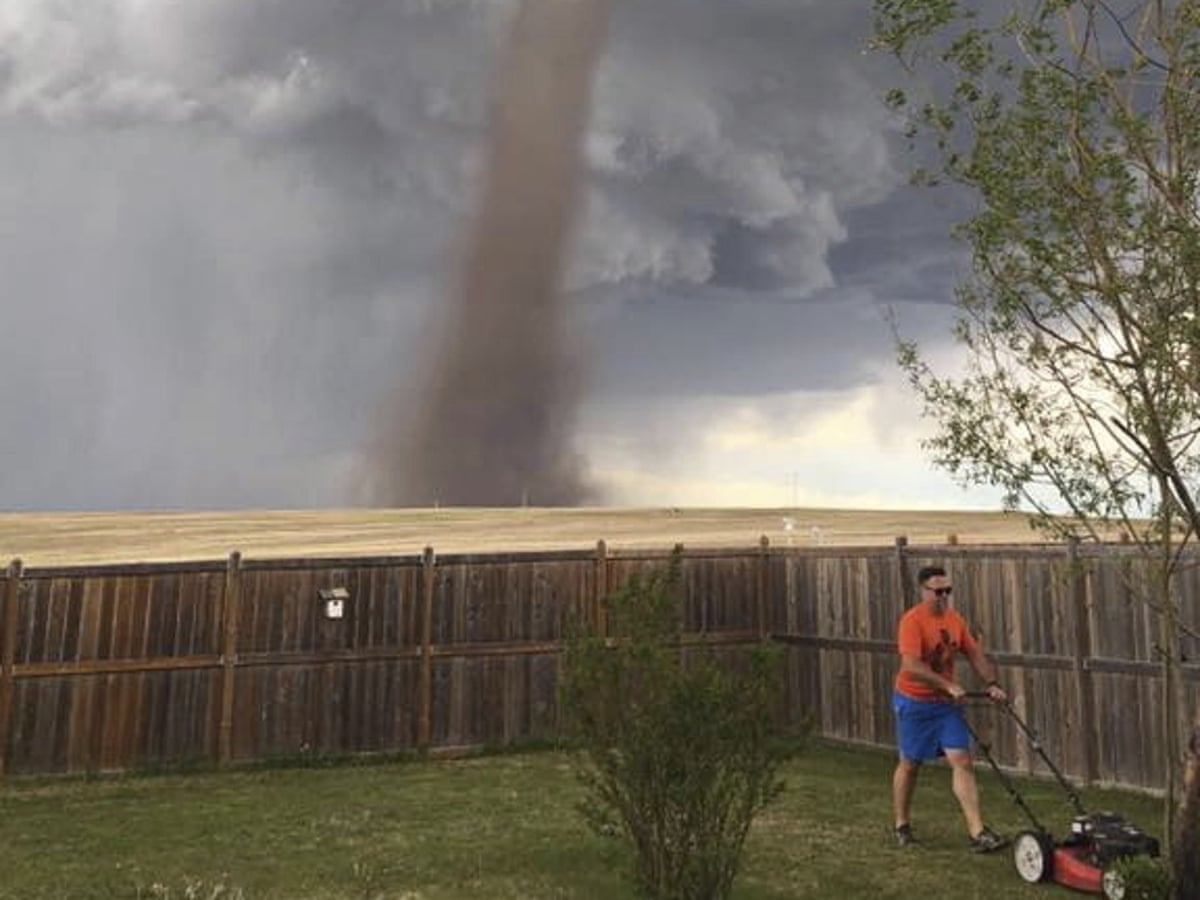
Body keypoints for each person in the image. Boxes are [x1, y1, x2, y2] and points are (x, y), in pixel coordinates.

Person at [891, 565, 1009, 851]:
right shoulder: (912, 621)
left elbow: (973, 652)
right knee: (910, 764)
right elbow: (911, 666)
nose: (944, 596)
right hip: (914, 702)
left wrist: (992, 683)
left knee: (962, 760)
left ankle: (977, 832)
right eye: (938, 591)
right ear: (923, 591)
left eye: (948, 590)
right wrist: (946, 685)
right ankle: (902, 824)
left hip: (945, 707)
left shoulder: (954, 620)